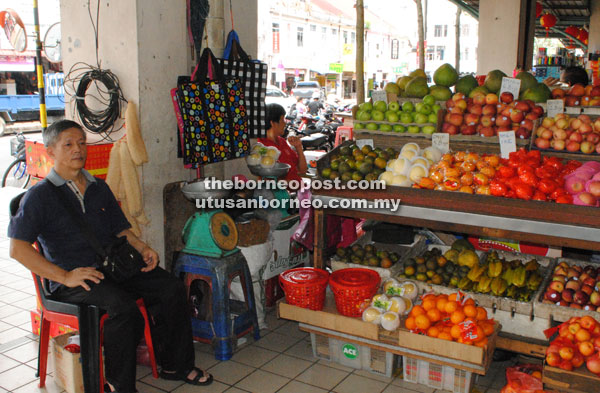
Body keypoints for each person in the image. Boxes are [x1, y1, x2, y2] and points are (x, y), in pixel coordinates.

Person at [8, 120, 212, 393]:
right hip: (74, 279)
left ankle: (177, 365)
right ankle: (119, 386)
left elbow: (120, 229)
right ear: (50, 152)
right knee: (124, 310)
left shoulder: (98, 187)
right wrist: (65, 276)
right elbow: (17, 248)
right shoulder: (39, 197)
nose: (77, 149)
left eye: (82, 142)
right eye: (68, 144)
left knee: (170, 287)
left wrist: (142, 247)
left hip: (111, 267)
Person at [258, 103, 307, 185]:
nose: (285, 123)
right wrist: (289, 183)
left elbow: (302, 170)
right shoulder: (260, 145)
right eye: (282, 119)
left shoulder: (282, 141)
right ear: (272, 123)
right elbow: (262, 180)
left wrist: (299, 147)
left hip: (299, 191)